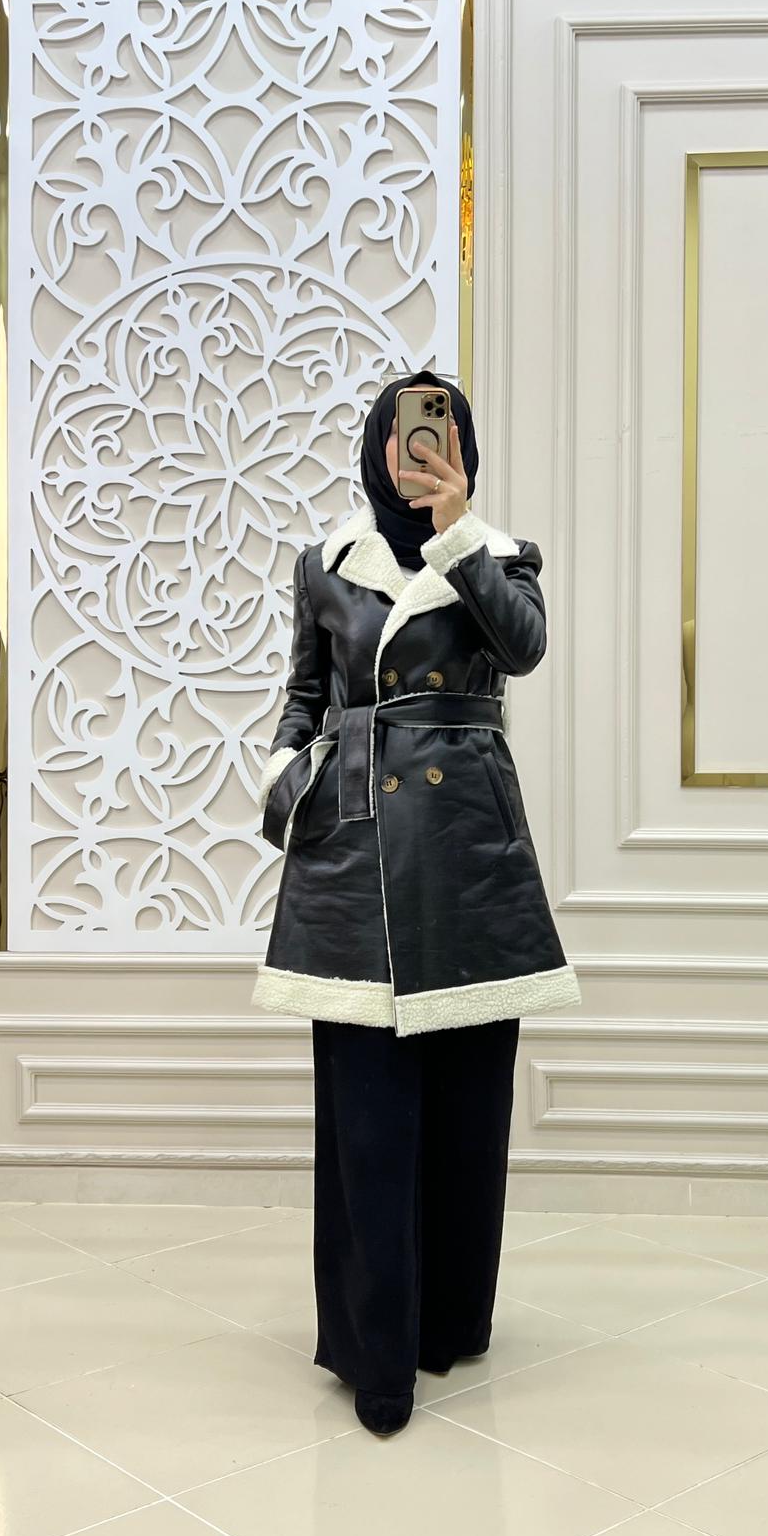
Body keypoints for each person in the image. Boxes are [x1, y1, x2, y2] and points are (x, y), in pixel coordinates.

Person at [254, 369, 581, 1436]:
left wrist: (457, 534)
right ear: (377, 444)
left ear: (462, 448)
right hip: (352, 852)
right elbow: (305, 695)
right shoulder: (324, 564)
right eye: (404, 432)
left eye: (439, 432)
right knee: (367, 1112)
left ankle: (447, 1321)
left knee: (468, 1106)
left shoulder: (501, 556)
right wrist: (289, 775)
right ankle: (375, 1349)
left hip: (468, 851)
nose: (419, 447)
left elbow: (522, 649)